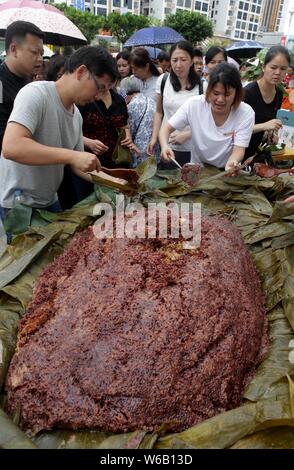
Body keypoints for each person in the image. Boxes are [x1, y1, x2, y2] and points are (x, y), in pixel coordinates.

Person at [0, 46, 117, 221]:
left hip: (50, 200)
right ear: (82, 72)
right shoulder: (36, 93)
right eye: (99, 87)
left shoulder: (76, 115)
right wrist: (71, 156)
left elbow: (78, 164)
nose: (99, 96)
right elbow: (12, 146)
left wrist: (116, 182)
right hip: (21, 205)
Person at [159, 63, 254, 171]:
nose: (220, 99)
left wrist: (233, 163)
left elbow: (239, 150)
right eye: (216, 93)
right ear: (208, 90)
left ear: (237, 93)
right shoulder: (194, 105)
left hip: (226, 170)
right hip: (197, 170)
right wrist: (164, 146)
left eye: (227, 94)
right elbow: (166, 129)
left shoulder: (245, 113)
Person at [148, 41, 202, 168]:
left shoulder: (202, 87)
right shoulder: (163, 80)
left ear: (191, 60)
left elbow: (207, 122)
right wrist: (154, 138)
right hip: (167, 146)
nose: (178, 65)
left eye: (183, 59)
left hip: (193, 149)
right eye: (174, 60)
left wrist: (188, 134)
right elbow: (159, 112)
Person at [0, 21, 44, 153]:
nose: (40, 59)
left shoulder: (31, 83)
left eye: (41, 54)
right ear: (14, 49)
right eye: (35, 52)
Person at [244, 45, 290, 158]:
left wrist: (271, 134)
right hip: (237, 155)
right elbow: (234, 130)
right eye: (273, 67)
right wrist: (264, 126)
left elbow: (269, 124)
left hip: (256, 155)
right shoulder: (247, 93)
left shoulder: (279, 93)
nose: (278, 72)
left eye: (283, 69)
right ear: (264, 67)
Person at [123, 76, 159, 166]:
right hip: (153, 147)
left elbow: (129, 131)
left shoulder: (131, 106)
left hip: (138, 150)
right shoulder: (151, 101)